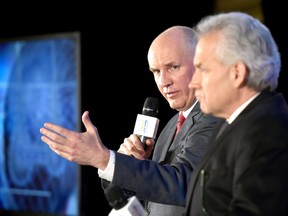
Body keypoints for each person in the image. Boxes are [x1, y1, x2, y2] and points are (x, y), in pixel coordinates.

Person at [39, 26, 220, 216]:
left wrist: (103, 158)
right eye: (156, 71)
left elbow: (184, 184)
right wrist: (131, 162)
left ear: (200, 63)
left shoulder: (214, 115)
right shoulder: (171, 125)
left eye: (173, 67)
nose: (164, 81)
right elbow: (152, 196)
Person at [185, 11, 288, 216]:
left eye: (203, 69)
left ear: (237, 73)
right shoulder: (236, 120)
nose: (193, 83)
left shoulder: (267, 130)